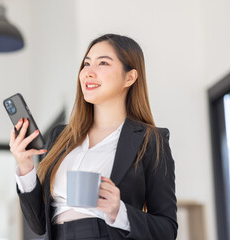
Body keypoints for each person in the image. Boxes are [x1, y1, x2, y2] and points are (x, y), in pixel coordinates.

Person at [9, 33, 178, 240]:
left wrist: (119, 211)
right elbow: (38, 224)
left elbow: (167, 230)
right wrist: (25, 166)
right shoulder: (61, 136)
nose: (88, 72)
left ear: (130, 77)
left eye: (103, 63)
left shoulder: (151, 140)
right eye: (86, 64)